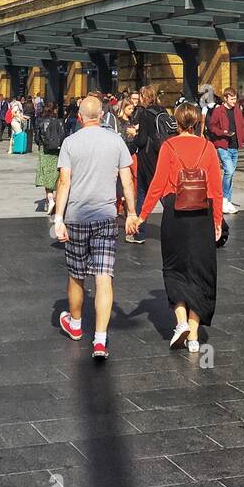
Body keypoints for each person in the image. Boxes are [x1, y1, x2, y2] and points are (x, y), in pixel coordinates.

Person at [53, 94, 137, 360]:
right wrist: (132, 213)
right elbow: (127, 180)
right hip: (105, 215)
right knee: (104, 275)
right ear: (101, 115)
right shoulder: (116, 140)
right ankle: (100, 340)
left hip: (77, 215)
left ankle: (76, 324)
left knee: (76, 273)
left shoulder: (70, 142)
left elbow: (64, 182)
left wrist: (58, 217)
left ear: (79, 116)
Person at [137, 101, 224, 352]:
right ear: (197, 122)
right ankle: (195, 336)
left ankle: (181, 322)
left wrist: (142, 216)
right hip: (202, 213)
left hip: (175, 212)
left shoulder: (168, 146)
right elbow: (216, 190)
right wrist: (217, 220)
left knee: (174, 267)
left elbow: (156, 184)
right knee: (200, 271)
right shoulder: (208, 147)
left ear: (177, 121)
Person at [131, 85, 174, 235]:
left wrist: (133, 136)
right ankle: (177, 222)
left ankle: (138, 232)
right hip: (161, 154)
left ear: (144, 97)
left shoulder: (144, 114)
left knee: (143, 193)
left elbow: (142, 140)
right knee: (162, 189)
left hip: (147, 157)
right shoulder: (162, 111)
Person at [207, 87, 244, 215]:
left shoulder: (237, 110)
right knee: (229, 170)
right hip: (223, 145)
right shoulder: (218, 111)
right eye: (232, 99)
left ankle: (227, 201)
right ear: (225, 98)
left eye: (235, 99)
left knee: (231, 174)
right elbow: (211, 126)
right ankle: (223, 199)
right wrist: (223, 132)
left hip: (234, 146)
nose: (234, 101)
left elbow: (242, 127)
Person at [35, 102, 65, 215]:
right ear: (55, 110)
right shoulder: (60, 122)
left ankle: (51, 199)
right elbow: (63, 136)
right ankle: (58, 200)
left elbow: (37, 138)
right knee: (57, 176)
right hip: (57, 152)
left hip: (45, 151)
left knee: (46, 176)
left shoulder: (41, 122)